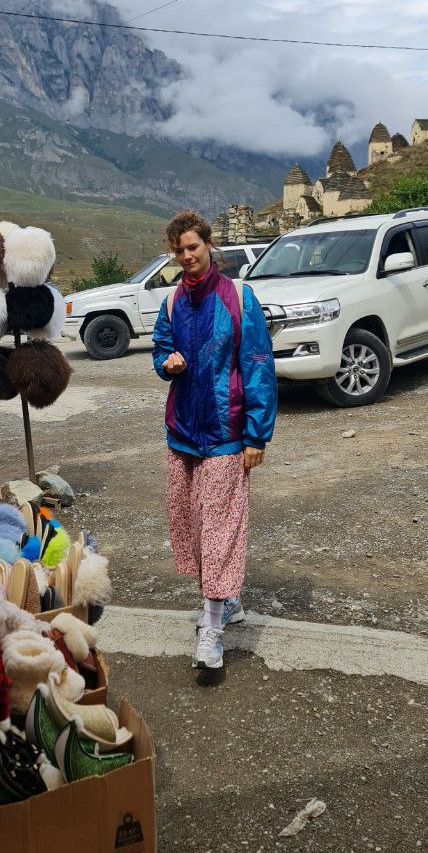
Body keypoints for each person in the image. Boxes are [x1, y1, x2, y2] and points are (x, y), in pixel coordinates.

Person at [152, 210, 277, 672]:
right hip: (183, 432)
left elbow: (258, 364)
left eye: (193, 247)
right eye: (178, 250)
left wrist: (257, 435)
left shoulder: (239, 297)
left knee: (219, 527)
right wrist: (166, 363)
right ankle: (228, 600)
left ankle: (212, 630)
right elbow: (160, 348)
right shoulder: (172, 302)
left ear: (209, 245)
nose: (186, 256)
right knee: (193, 523)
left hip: (227, 433)